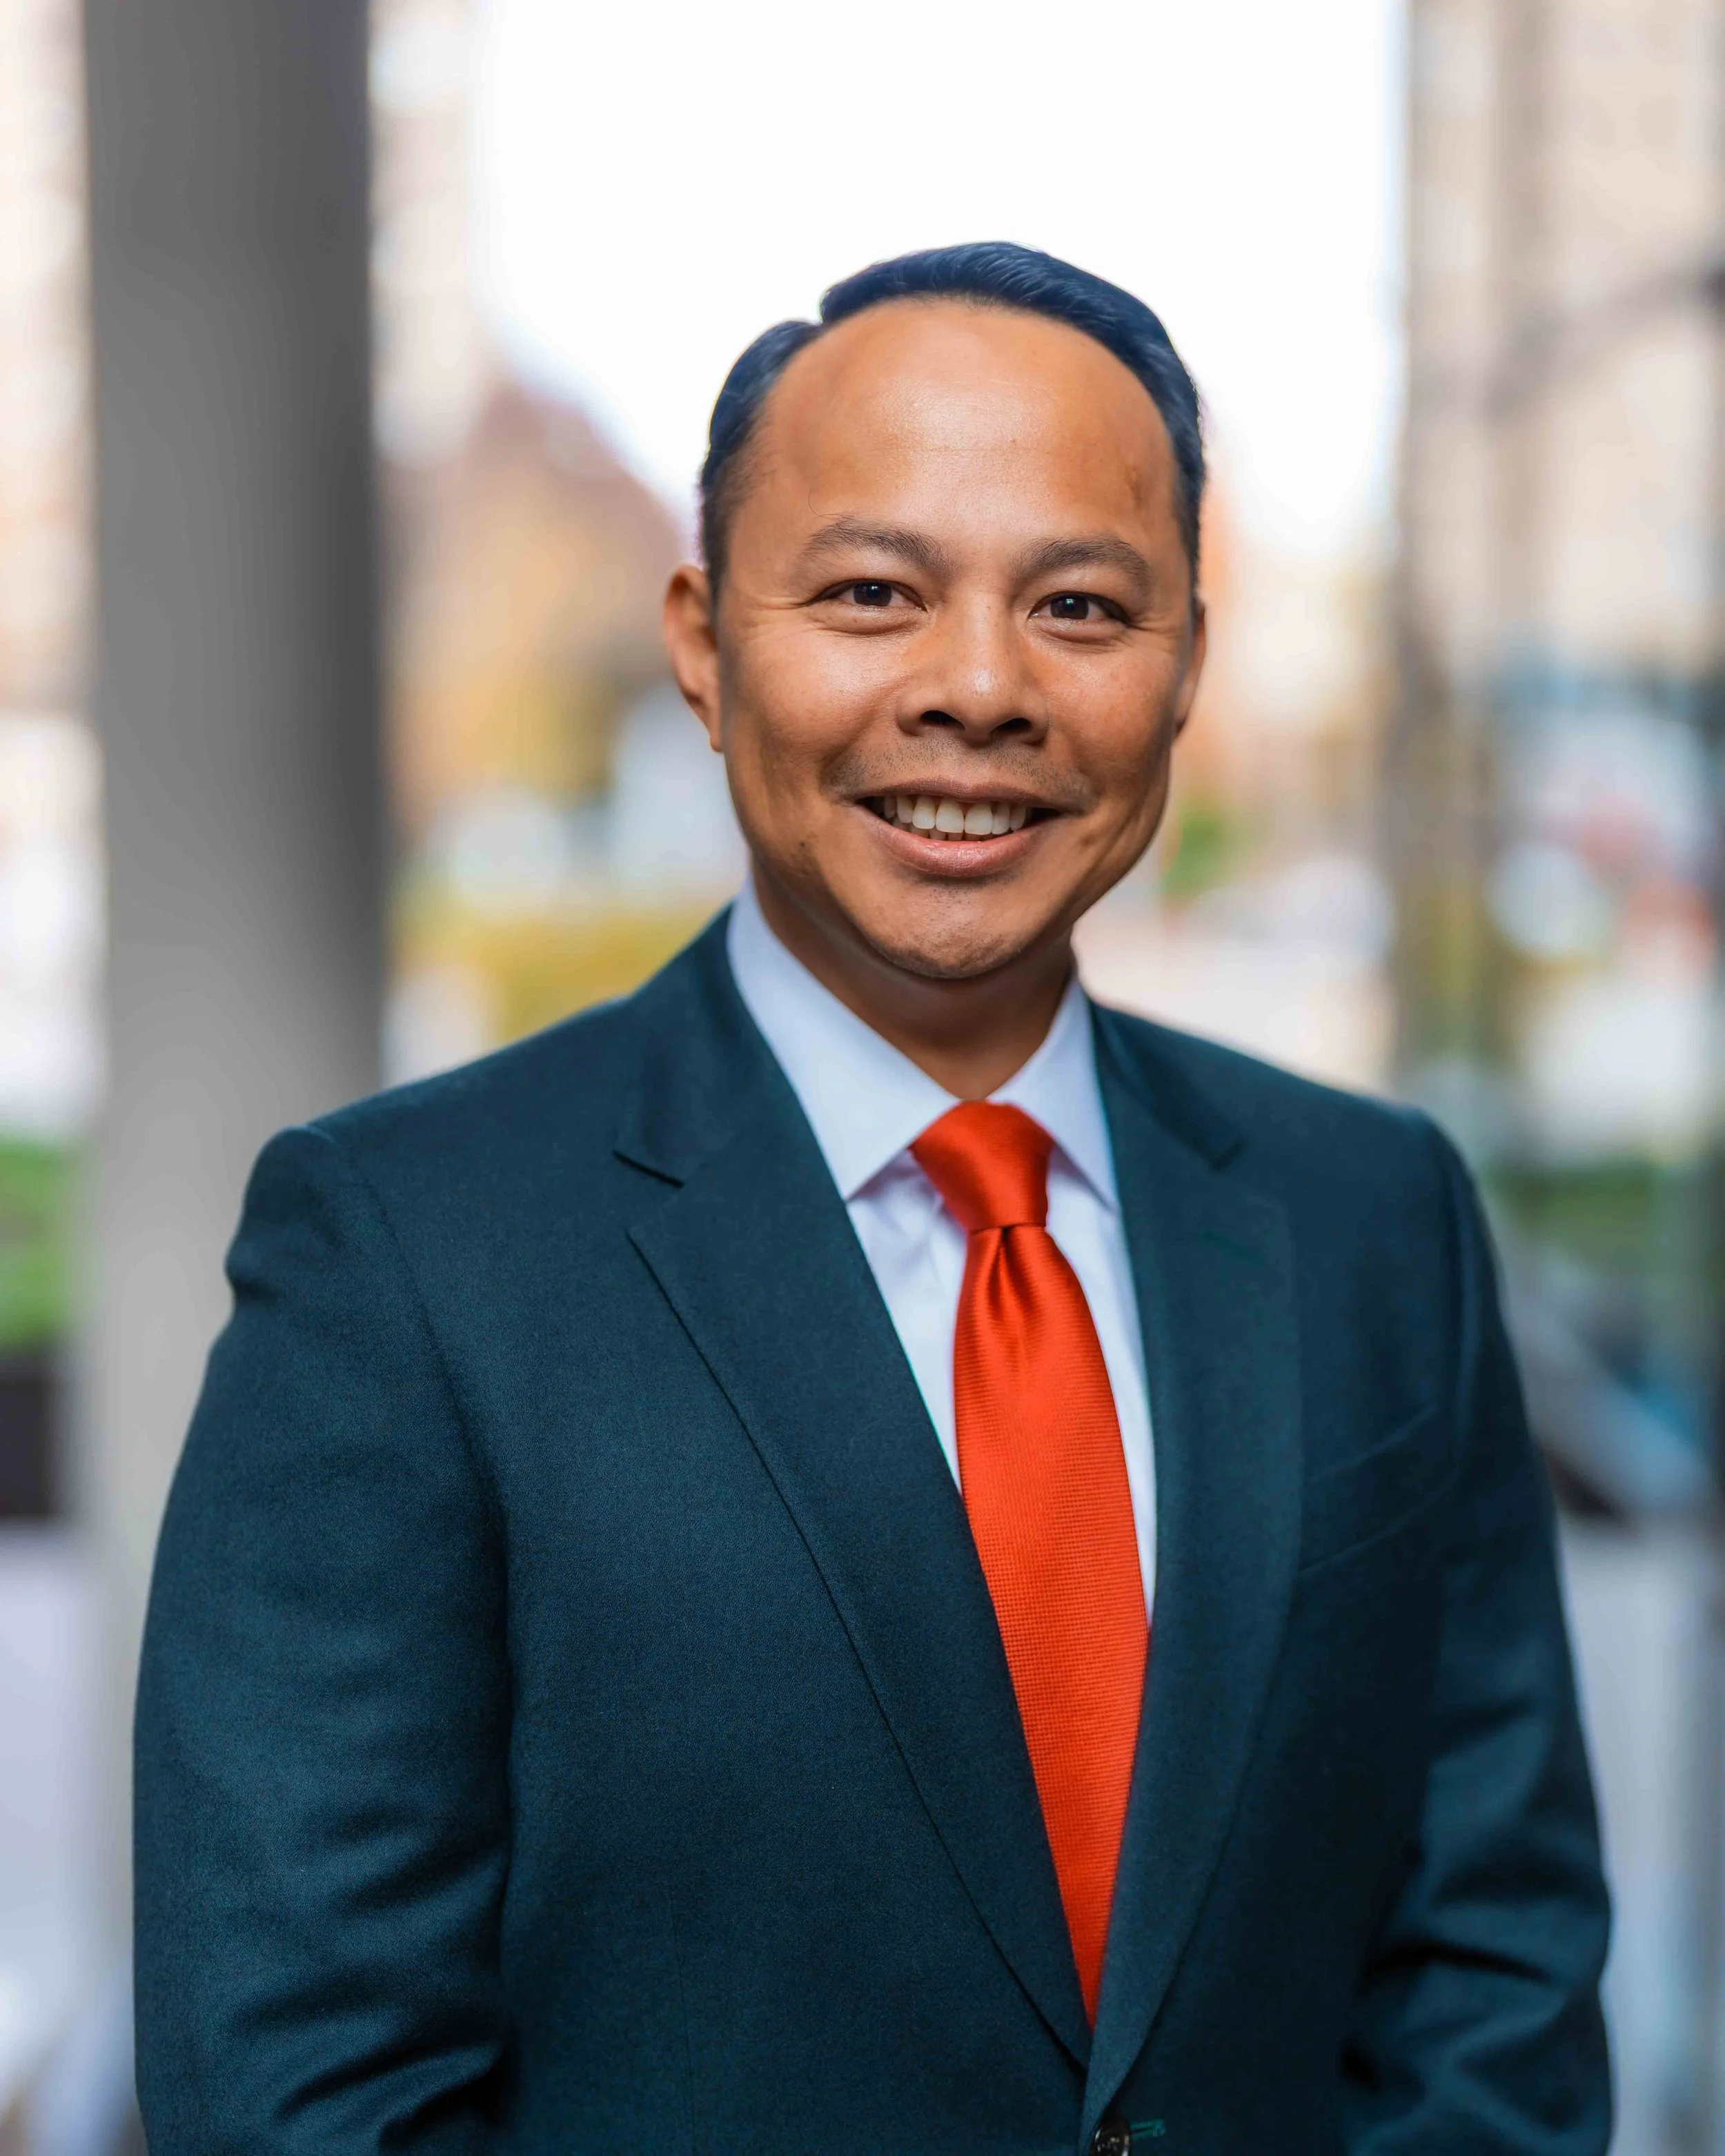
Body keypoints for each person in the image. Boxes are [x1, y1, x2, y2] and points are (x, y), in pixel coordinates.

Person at [133, 243, 1610, 2155]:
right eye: (869, 595)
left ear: (1184, 664)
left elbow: (1487, 1954)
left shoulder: (1371, 1218)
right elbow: (299, 2091)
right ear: (700, 639)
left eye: (1080, 603)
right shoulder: (403, 1255)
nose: (980, 688)